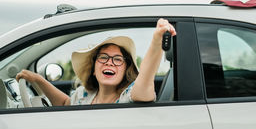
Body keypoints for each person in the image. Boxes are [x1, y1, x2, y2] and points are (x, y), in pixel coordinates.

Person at [16, 18, 176, 106]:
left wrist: (156, 41)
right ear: (93, 68)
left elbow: (145, 80)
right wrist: (38, 80)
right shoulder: (83, 95)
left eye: (118, 59)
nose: (110, 63)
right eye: (103, 57)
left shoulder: (129, 96)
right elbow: (65, 103)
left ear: (126, 70)